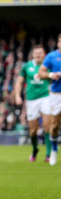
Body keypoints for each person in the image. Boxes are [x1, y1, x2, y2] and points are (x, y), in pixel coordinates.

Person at [14, 45, 51, 162]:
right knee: (33, 130)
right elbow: (19, 81)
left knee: (47, 125)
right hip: (31, 99)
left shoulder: (47, 66)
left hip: (46, 97)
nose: (38, 55)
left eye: (40, 53)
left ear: (44, 54)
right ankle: (35, 149)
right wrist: (17, 95)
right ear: (33, 54)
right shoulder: (27, 66)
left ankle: (48, 154)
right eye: (36, 53)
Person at [38, 34, 61, 166]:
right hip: (56, 95)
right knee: (54, 125)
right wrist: (52, 75)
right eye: (60, 41)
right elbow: (41, 73)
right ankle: (54, 149)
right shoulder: (51, 56)